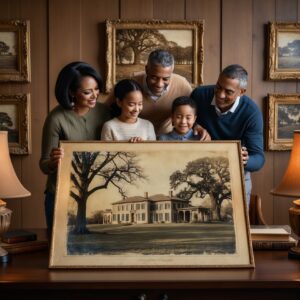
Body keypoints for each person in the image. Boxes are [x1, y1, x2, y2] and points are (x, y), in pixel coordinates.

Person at [39, 61, 111, 236]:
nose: (94, 95)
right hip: (61, 193)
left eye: (96, 89)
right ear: (71, 92)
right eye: (87, 92)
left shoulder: (106, 112)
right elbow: (43, 164)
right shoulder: (56, 118)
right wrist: (54, 162)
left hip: (96, 193)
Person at [190, 64, 265, 207]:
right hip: (200, 170)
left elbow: (259, 158)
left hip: (235, 172)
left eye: (228, 92)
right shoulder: (199, 95)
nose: (220, 94)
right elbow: (182, 120)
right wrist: (195, 125)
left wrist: (245, 160)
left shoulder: (251, 112)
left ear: (241, 92)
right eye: (218, 87)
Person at [106, 49, 200, 137]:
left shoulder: (182, 85)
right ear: (146, 69)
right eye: (154, 77)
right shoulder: (130, 82)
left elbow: (193, 113)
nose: (159, 84)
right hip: (135, 139)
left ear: (171, 72)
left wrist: (197, 126)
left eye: (165, 79)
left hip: (169, 139)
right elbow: (106, 110)